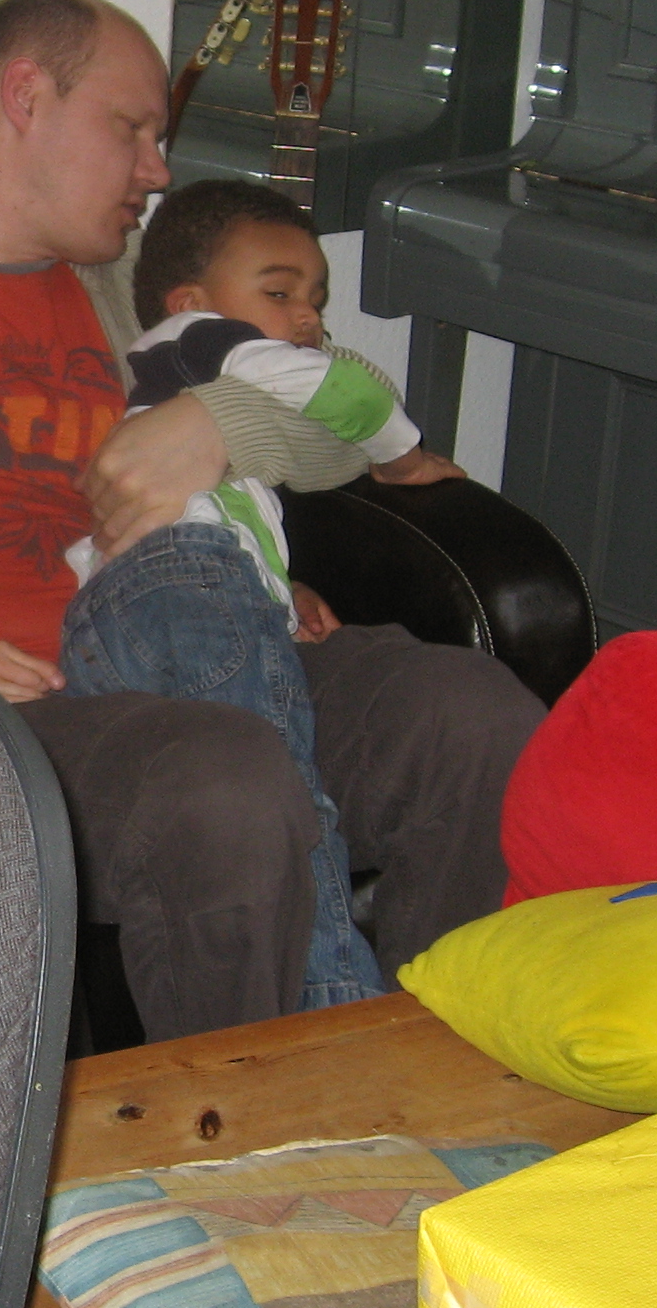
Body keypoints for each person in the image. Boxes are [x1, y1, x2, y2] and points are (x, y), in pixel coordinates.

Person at [0, 0, 544, 1038]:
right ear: (25, 97)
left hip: (205, 640)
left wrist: (214, 426)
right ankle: (256, 1122)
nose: (157, 171)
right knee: (224, 782)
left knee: (474, 717)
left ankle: (433, 1072)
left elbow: (338, 414)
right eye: (132, 129)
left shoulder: (139, 290)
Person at [59, 178, 467, 1010]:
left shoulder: (189, 374)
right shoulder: (207, 339)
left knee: (237, 776)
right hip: (184, 576)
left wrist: (276, 595)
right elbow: (344, 394)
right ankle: (335, 1003)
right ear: (190, 301)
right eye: (279, 293)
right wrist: (402, 455)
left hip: (127, 605)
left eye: (316, 297)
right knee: (281, 781)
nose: (308, 316)